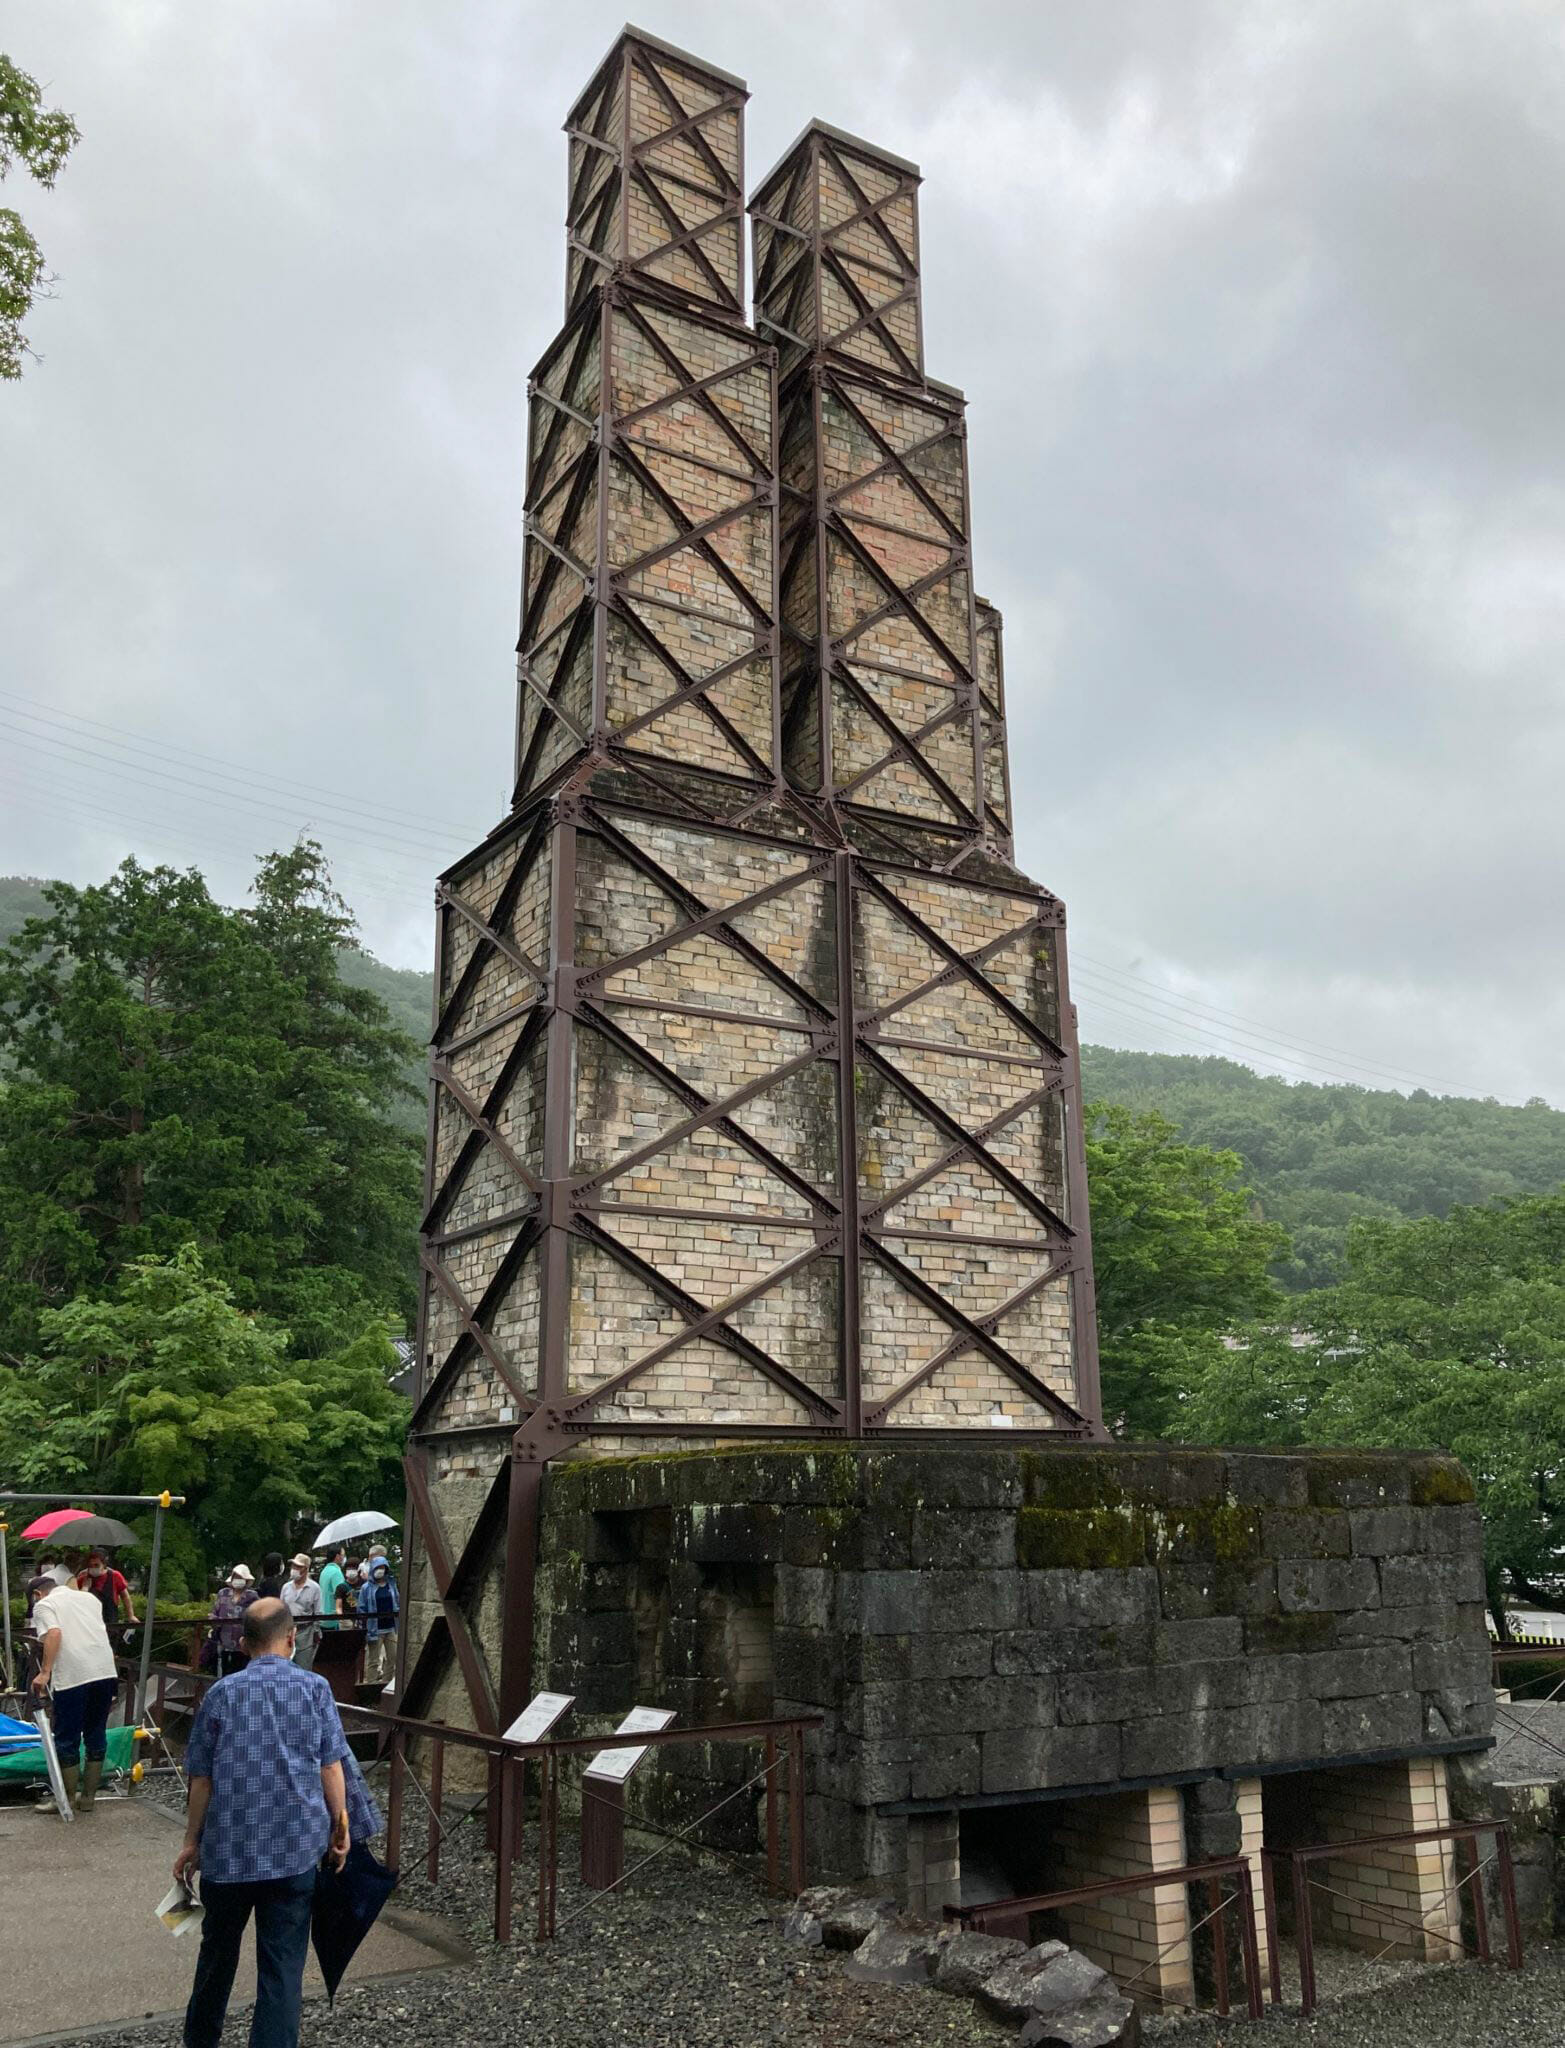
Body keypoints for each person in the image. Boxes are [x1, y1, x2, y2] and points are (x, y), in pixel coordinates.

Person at [175, 1599, 352, 2048]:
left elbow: (202, 1779)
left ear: (242, 1643)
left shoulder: (220, 1694)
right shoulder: (314, 1689)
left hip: (228, 1853)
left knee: (215, 1959)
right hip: (293, 1851)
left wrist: (191, 1842)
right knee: (282, 1969)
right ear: (292, 1638)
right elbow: (331, 1767)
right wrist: (341, 1823)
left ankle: (200, 2041)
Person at [29, 1573, 119, 1813]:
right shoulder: (90, 1599)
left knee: (67, 1737)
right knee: (96, 1731)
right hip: (105, 1671)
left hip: (73, 1676)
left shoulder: (44, 1605)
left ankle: (66, 1800)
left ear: (38, 1594)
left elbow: (54, 1634)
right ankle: (88, 1799)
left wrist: (45, 1672)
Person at [208, 1566, 256, 1678]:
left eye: (240, 1577)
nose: (238, 1579)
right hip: (223, 1642)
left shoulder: (252, 1596)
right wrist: (214, 1622)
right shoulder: (223, 1593)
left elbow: (257, 1616)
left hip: (243, 1645)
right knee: (223, 1673)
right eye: (236, 1577)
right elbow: (214, 1612)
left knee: (240, 1673)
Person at [358, 1559, 399, 1687]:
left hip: (391, 1627)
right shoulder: (366, 1588)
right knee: (373, 1661)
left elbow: (397, 1601)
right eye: (378, 1567)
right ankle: (371, 1687)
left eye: (383, 1567)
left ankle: (385, 1685)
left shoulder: (391, 1584)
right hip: (374, 1629)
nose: (380, 1570)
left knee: (392, 1658)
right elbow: (361, 1608)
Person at [279, 1554, 322, 1670]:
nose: (294, 1569)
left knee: (304, 1667)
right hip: (287, 1632)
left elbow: (318, 1612)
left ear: (306, 1569)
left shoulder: (314, 1588)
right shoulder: (286, 1587)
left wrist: (316, 1632)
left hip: (306, 1632)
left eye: (298, 1566)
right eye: (293, 1566)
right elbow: (281, 1609)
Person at [81, 1550, 138, 1633]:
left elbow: (125, 1596)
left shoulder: (115, 1576)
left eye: (96, 1565)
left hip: (110, 1622)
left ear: (104, 1564)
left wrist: (131, 1615)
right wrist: (85, 1587)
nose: (93, 1568)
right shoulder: (83, 1578)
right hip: (89, 1626)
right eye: (90, 1566)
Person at [317, 1544, 347, 1631]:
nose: (344, 1557)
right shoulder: (336, 1572)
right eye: (343, 1555)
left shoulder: (325, 1570)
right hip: (333, 1618)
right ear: (338, 1556)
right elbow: (340, 1595)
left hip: (323, 1615)